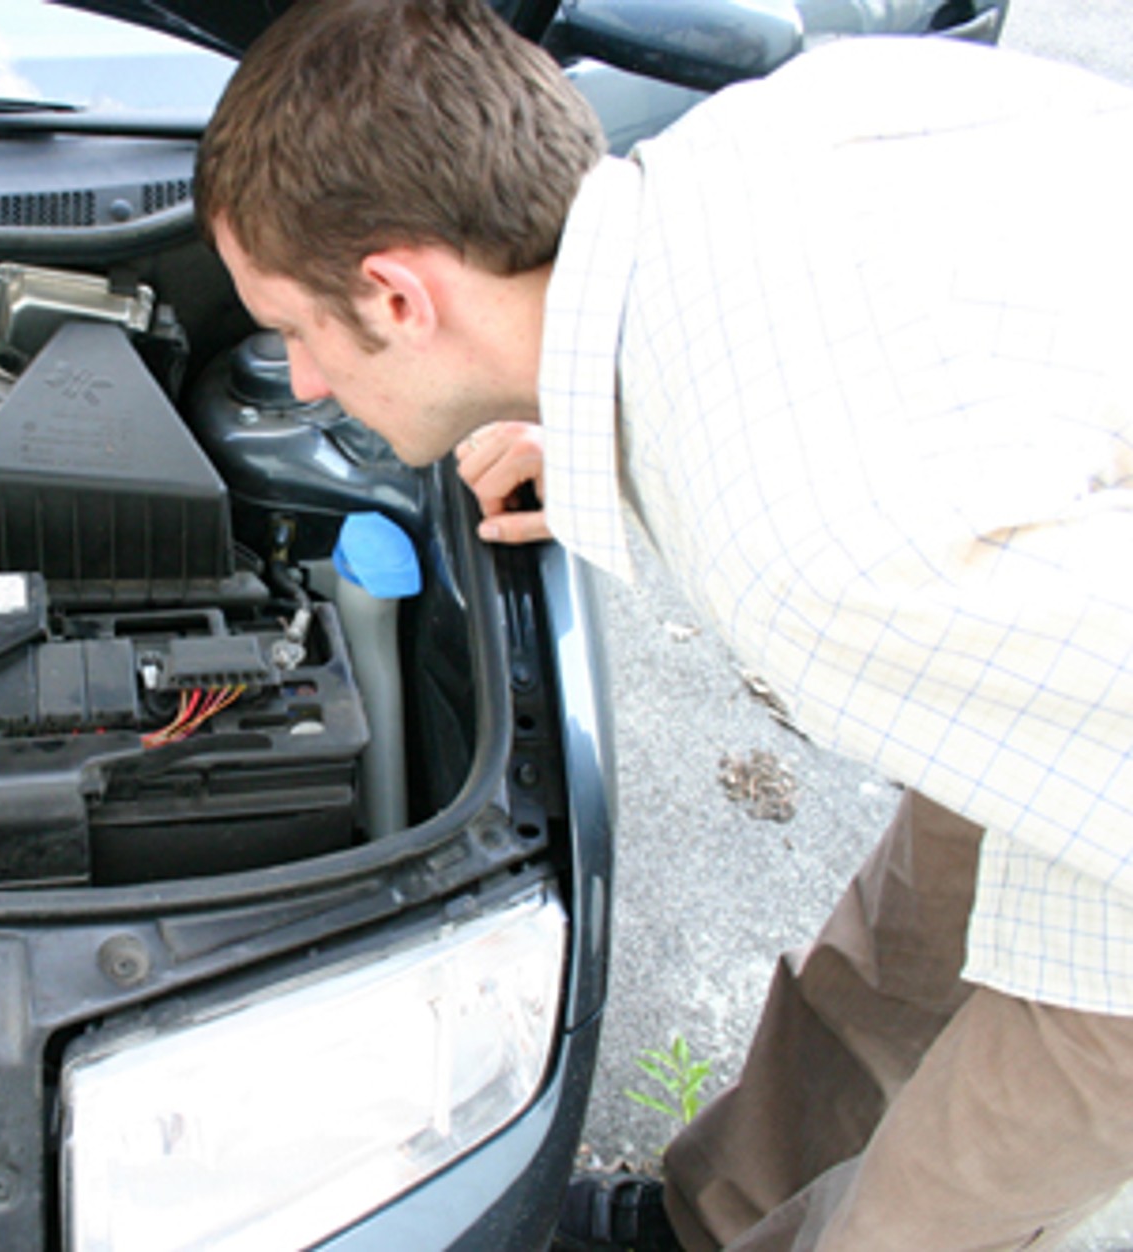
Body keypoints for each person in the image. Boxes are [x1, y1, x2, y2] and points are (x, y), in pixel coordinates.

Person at [194, 2, 1133, 1250]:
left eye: (292, 332)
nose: (303, 382)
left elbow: (848, 504)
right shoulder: (774, 126)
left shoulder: (810, 540)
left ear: (397, 294)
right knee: (909, 937)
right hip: (1060, 538)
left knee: (932, 1208)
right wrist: (591, 438)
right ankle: (696, 1227)